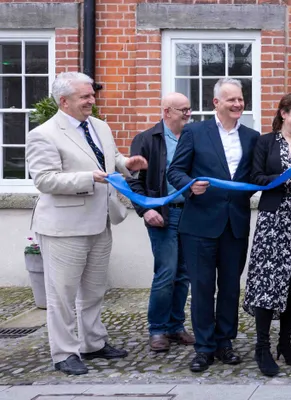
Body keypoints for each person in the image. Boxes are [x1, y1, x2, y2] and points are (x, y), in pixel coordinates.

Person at [25, 72, 148, 375]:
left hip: (100, 220)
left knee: (93, 291)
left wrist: (125, 164)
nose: (92, 101)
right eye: (85, 97)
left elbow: (110, 157)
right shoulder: (44, 133)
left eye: (92, 95)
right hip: (64, 226)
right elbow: (44, 179)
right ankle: (64, 353)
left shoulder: (100, 126)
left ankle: (92, 343)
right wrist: (88, 178)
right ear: (64, 101)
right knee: (62, 294)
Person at [167, 78, 260, 373]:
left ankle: (225, 343)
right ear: (216, 103)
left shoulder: (252, 137)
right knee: (203, 288)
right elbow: (175, 171)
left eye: (241, 99)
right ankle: (204, 347)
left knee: (231, 288)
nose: (237, 104)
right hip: (199, 225)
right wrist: (189, 186)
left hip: (236, 224)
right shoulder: (195, 132)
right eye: (231, 99)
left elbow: (256, 177)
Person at [243, 93, 291, 377]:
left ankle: (285, 344)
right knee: (268, 281)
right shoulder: (265, 142)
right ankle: (262, 347)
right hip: (273, 220)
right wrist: (284, 176)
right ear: (284, 113)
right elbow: (256, 178)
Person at [128, 92, 196, 353]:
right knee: (166, 272)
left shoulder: (192, 138)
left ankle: (176, 327)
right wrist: (145, 210)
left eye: (189, 109)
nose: (188, 114)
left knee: (184, 274)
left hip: (190, 212)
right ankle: (157, 329)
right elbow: (133, 180)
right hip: (161, 214)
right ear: (167, 111)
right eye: (183, 110)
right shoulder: (147, 139)